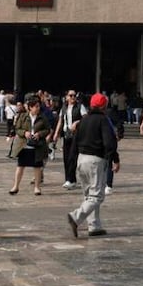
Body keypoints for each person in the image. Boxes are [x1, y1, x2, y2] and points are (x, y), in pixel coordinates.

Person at [67, 93, 120, 238]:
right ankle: (76, 217)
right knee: (96, 196)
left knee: (88, 195)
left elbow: (74, 142)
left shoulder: (83, 121)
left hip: (81, 159)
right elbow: (109, 142)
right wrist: (115, 158)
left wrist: (71, 166)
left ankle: (94, 226)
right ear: (104, 106)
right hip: (95, 160)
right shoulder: (103, 120)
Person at [9, 96, 49, 195]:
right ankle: (16, 186)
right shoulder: (22, 116)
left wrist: (39, 134)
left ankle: (37, 187)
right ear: (30, 107)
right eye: (36, 106)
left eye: (39, 106)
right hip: (24, 145)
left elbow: (48, 129)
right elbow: (17, 129)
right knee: (20, 166)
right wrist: (25, 133)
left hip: (37, 146)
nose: (38, 108)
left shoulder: (42, 117)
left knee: (37, 167)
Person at [54, 90, 87, 188]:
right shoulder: (64, 107)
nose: (73, 97)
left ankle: (70, 179)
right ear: (66, 97)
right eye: (71, 95)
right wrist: (56, 133)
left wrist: (77, 123)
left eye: (74, 95)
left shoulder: (80, 106)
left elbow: (86, 118)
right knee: (66, 157)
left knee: (72, 157)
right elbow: (60, 120)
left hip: (76, 135)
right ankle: (69, 179)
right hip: (66, 134)